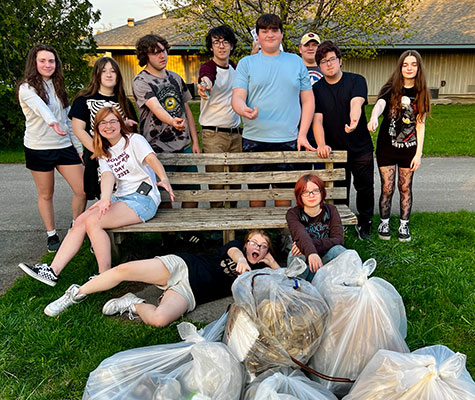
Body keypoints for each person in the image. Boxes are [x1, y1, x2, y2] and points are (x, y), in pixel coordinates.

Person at [19, 107, 174, 287]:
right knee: (80, 220)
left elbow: (151, 159)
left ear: (120, 123)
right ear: (97, 128)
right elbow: (108, 176)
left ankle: (104, 276)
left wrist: (164, 179)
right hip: (121, 198)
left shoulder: (134, 140)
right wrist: (105, 200)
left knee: (95, 221)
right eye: (103, 123)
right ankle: (52, 271)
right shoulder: (104, 150)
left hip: (143, 199)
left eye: (113, 121)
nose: (108, 126)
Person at [43, 229, 280, 327]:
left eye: (263, 245)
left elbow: (282, 282)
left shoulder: (260, 273)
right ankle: (75, 294)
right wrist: (240, 259)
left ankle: (132, 302)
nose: (256, 246)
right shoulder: (237, 247)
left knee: (159, 319)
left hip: (192, 293)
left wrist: (270, 262)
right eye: (254, 242)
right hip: (183, 266)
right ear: (246, 241)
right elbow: (234, 251)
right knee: (123, 270)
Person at [232, 14, 315, 208]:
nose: (270, 34)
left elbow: (308, 100)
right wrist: (243, 109)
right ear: (258, 36)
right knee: (257, 194)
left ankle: (282, 236)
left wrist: (302, 134)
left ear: (281, 34)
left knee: (284, 194)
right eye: (264, 31)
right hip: (254, 139)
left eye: (274, 30)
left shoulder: (296, 62)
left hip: (288, 139)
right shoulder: (246, 63)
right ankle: (258, 236)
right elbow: (237, 97)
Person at [17, 44, 86, 252]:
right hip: (38, 148)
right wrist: (51, 122)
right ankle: (52, 235)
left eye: (51, 61)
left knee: (82, 190)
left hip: (64, 146)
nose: (48, 65)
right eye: (43, 61)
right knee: (46, 194)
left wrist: (79, 148)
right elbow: (40, 107)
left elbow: (68, 120)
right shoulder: (26, 88)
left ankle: (76, 227)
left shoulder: (59, 86)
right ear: (34, 63)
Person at [312, 40, 374, 240]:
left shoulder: (356, 80)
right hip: (335, 149)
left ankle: (365, 223)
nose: (328, 64)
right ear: (319, 67)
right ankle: (341, 224)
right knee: (340, 189)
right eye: (323, 61)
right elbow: (317, 119)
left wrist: (354, 121)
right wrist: (321, 144)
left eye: (332, 59)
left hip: (360, 146)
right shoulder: (317, 89)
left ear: (340, 61)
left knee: (364, 187)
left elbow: (357, 102)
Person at [368, 50, 430, 242]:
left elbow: (420, 124)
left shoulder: (421, 93)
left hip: (408, 149)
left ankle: (404, 225)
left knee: (405, 187)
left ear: (418, 68)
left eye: (413, 64)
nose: (409, 68)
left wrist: (418, 154)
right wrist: (373, 117)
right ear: (400, 67)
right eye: (405, 64)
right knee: (387, 188)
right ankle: (384, 221)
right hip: (387, 147)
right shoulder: (391, 88)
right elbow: (379, 104)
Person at [132, 34, 199, 209]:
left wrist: (195, 142)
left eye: (163, 51)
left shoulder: (175, 78)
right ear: (145, 56)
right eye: (155, 53)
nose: (162, 56)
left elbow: (187, 111)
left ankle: (188, 233)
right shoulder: (141, 81)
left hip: (184, 147)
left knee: (192, 193)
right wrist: (171, 120)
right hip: (157, 149)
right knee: (163, 197)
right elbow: (155, 107)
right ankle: (169, 236)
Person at [69, 56, 138, 200]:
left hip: (122, 160)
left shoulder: (124, 102)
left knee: (122, 195)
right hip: (97, 157)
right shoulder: (83, 99)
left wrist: (125, 127)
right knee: (104, 197)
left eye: (113, 71)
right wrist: (98, 150)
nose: (108, 75)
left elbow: (132, 134)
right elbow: (78, 129)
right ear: (96, 74)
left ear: (118, 75)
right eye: (104, 71)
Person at [198, 25, 241, 208]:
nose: (221, 46)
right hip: (213, 134)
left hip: (236, 134)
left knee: (235, 181)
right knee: (216, 182)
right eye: (216, 42)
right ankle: (216, 230)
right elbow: (207, 78)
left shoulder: (234, 67)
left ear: (231, 45)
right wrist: (204, 85)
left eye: (225, 42)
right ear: (211, 47)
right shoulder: (208, 67)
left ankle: (234, 224)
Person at [286, 174, 345, 282]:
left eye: (315, 190)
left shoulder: (331, 210)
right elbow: (301, 234)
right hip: (306, 267)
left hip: (325, 265)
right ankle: (298, 290)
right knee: (296, 253)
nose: (311, 195)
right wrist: (310, 253)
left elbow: (338, 239)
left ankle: (339, 287)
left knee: (340, 251)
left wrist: (310, 246)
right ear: (299, 195)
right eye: (305, 192)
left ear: (322, 192)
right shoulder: (293, 213)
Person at [299, 32, 324, 156]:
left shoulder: (327, 69)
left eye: (315, 45)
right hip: (299, 124)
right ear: (300, 48)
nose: (311, 48)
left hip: (323, 124)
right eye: (307, 45)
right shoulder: (294, 68)